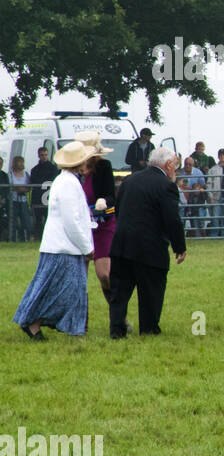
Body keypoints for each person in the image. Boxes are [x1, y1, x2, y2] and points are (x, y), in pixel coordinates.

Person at [12, 141, 99, 340]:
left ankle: (39, 324)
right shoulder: (69, 183)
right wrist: (87, 247)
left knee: (53, 289)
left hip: (61, 247)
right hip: (64, 248)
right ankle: (34, 323)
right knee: (62, 291)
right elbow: (71, 219)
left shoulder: (65, 180)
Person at [107, 147, 187, 338]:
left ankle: (117, 330)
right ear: (168, 165)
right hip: (149, 248)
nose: (175, 170)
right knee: (151, 291)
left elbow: (118, 210)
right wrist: (179, 246)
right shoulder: (166, 186)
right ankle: (149, 329)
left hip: (122, 244)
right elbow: (172, 219)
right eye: (175, 166)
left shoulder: (129, 180)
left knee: (119, 293)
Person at [75, 131, 118, 309]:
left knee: (104, 275)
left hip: (102, 225)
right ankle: (79, 322)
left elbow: (111, 196)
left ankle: (117, 312)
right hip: (81, 228)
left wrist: (104, 201)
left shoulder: (103, 167)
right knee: (79, 280)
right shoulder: (73, 169)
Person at [28, 146, 59, 239]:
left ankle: (50, 237)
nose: (44, 157)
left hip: (49, 198)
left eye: (45, 155)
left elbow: (54, 180)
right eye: (42, 155)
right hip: (37, 198)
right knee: (37, 219)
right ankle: (38, 237)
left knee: (49, 219)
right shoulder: (35, 169)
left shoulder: (53, 168)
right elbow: (33, 181)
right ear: (38, 156)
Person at [8, 156, 32, 242]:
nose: (20, 164)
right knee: (13, 221)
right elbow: (11, 186)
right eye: (18, 162)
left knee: (25, 220)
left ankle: (26, 238)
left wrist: (23, 189)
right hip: (14, 201)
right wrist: (19, 188)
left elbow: (29, 187)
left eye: (21, 162)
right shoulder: (10, 174)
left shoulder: (26, 174)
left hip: (23, 200)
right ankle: (13, 238)